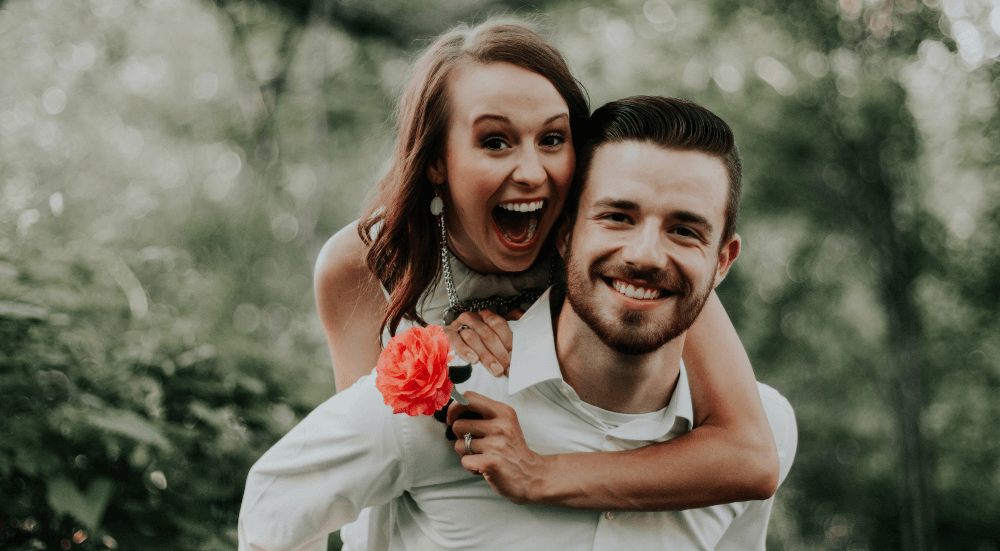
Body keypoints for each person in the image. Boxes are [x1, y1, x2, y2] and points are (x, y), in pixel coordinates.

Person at [240, 96, 797, 550]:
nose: (646, 254)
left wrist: (542, 474)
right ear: (564, 232)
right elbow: (272, 511)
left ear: (723, 261)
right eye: (617, 216)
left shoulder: (761, 427)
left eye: (685, 230)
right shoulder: (438, 402)